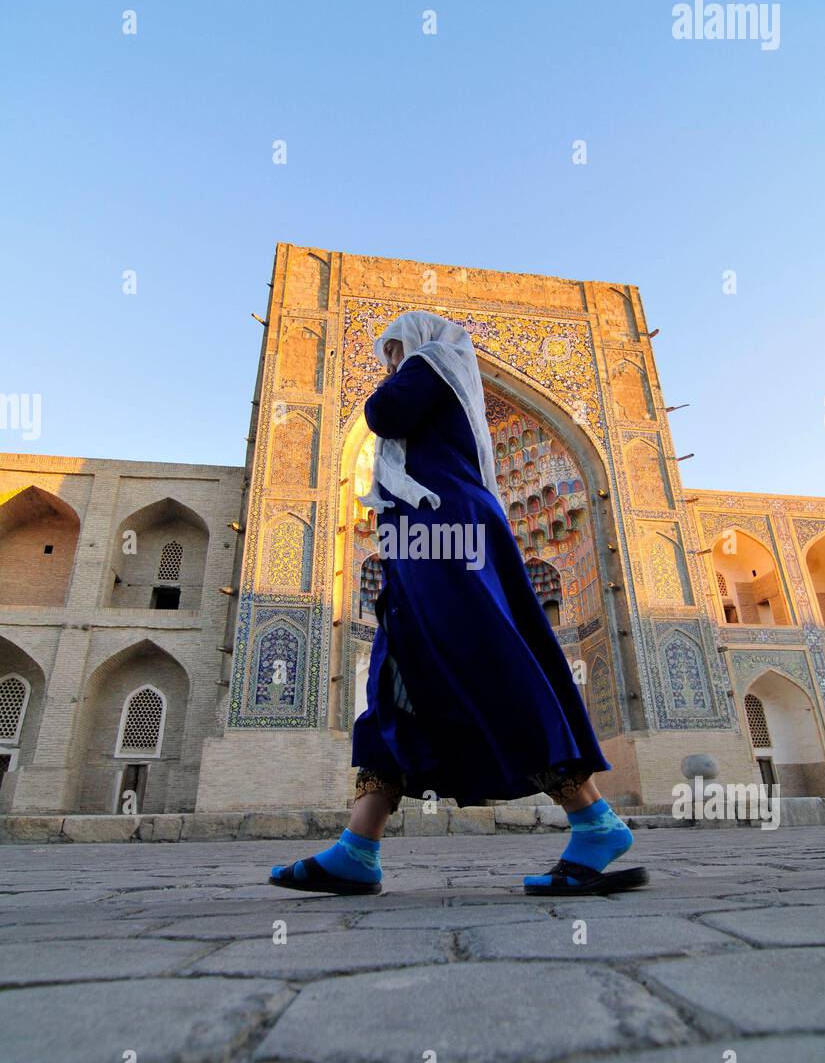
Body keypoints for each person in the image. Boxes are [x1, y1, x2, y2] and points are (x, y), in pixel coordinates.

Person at [270, 311, 647, 898]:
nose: (391, 363)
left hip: (447, 536)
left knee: (484, 661)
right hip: (422, 538)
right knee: (398, 677)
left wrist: (396, 375)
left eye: (394, 350)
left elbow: (382, 412)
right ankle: (357, 847)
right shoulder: (442, 384)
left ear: (417, 343)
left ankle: (594, 819)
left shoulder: (430, 366)